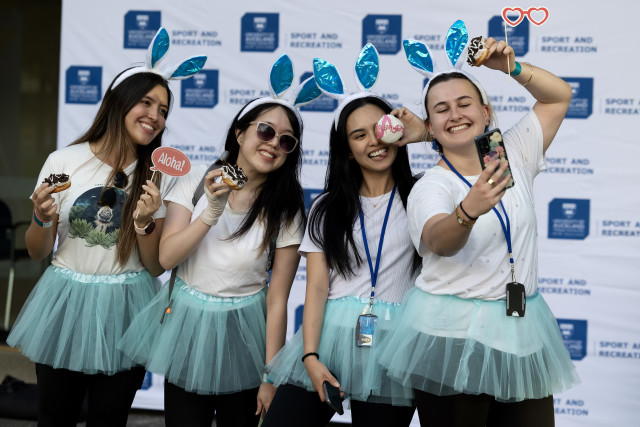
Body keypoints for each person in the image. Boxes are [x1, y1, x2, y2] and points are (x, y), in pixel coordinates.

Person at [378, 21, 580, 427]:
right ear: (430, 127)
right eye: (441, 109)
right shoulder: (432, 184)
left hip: (520, 331)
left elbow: (559, 96)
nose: (455, 114)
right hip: (450, 338)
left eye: (465, 103)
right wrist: (467, 211)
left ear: (486, 112)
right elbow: (439, 240)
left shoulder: (508, 153)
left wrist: (509, 67)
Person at [6, 28, 205, 426]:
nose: (155, 116)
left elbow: (155, 266)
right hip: (64, 301)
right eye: (146, 102)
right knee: (54, 416)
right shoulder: (64, 161)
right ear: (119, 101)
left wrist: (145, 222)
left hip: (127, 308)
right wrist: (42, 216)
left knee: (110, 419)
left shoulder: (159, 175)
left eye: (164, 110)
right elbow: (38, 250)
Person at [118, 54, 319, 427]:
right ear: (240, 133)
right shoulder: (195, 179)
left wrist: (270, 375)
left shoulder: (286, 208)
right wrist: (211, 210)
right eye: (265, 131)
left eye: (287, 140)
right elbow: (166, 258)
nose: (274, 143)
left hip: (245, 335)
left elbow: (277, 300)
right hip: (187, 326)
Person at [262, 47, 419, 427]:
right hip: (329, 338)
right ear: (347, 150)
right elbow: (317, 288)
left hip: (395, 344)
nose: (374, 142)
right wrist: (310, 357)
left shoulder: (424, 194)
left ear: (396, 131)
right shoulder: (326, 207)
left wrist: (425, 133)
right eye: (359, 135)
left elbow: (471, 160)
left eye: (380, 128)